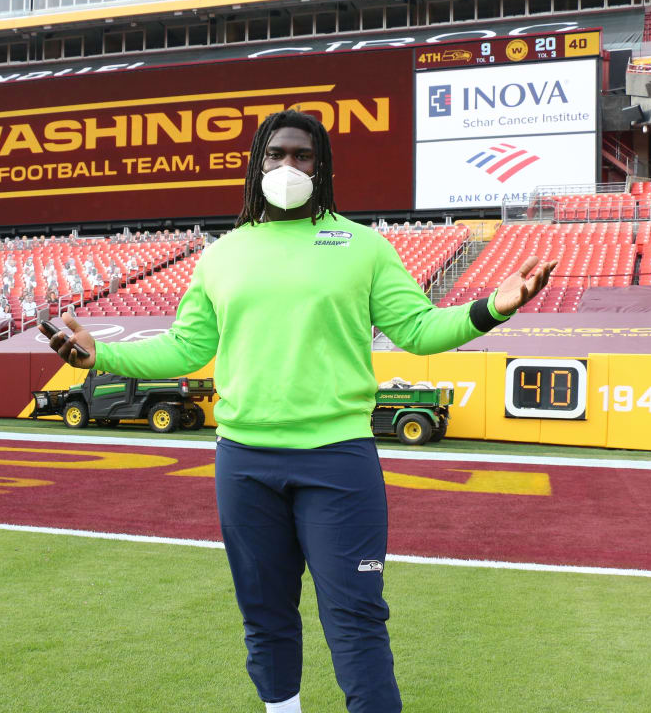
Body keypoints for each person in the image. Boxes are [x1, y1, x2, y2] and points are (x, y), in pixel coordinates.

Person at [43, 109, 556, 713]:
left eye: (303, 156)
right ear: (258, 163)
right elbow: (187, 347)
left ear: (323, 166)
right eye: (277, 154)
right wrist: (100, 353)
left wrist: (491, 308)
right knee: (264, 616)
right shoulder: (222, 254)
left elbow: (416, 330)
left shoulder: (363, 246)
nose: (289, 166)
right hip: (244, 461)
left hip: (338, 460)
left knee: (357, 617)